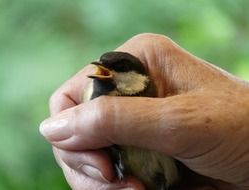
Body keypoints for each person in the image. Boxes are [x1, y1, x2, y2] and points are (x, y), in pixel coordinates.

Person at [39, 33, 249, 190]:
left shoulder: (156, 97)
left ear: (139, 77)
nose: (106, 70)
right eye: (104, 67)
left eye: (119, 68)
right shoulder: (90, 97)